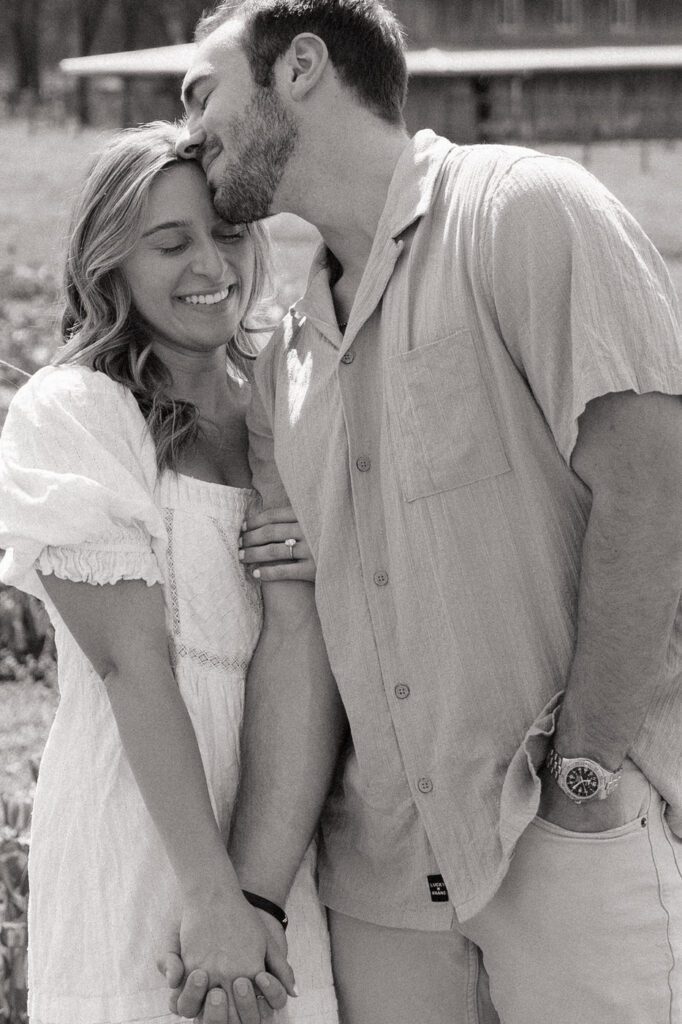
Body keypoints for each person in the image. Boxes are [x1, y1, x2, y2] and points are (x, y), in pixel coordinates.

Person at [167, 1, 682, 1022]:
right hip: (382, 887)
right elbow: (301, 636)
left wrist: (583, 773)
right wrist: (254, 890)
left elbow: (655, 486)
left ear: (301, 65)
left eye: (201, 89)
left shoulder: (524, 210)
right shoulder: (285, 355)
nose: (188, 128)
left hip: (566, 841)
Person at [0, 122, 340, 1024]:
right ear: (107, 262)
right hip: (146, 838)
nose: (211, 265)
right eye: (170, 242)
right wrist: (211, 895)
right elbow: (131, 668)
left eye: (226, 233)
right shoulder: (75, 411)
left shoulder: (292, 394)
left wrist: (257, 893)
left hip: (284, 829)